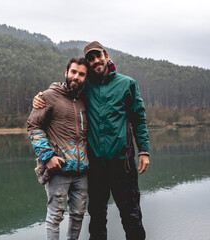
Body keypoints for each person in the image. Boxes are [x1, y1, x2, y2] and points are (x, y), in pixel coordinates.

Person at [33, 41, 150, 240]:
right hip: (96, 167)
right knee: (96, 219)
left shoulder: (127, 84)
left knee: (131, 216)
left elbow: (138, 119)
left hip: (123, 164)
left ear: (106, 55)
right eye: (91, 58)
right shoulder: (85, 87)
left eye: (98, 56)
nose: (96, 61)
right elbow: (64, 89)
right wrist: (40, 97)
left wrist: (144, 151)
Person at [27, 57, 90, 240]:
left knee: (78, 216)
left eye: (81, 74)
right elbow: (33, 126)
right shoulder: (49, 96)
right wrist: (47, 157)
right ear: (66, 73)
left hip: (82, 170)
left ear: (85, 78)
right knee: (55, 217)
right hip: (59, 169)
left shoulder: (85, 98)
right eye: (73, 72)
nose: (76, 77)